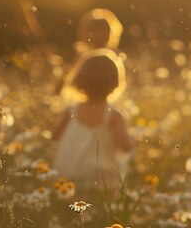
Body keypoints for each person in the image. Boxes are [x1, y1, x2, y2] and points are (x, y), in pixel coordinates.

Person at [52, 49, 134, 192]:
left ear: (79, 80)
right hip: (101, 181)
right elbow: (125, 147)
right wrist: (136, 140)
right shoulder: (113, 116)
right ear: (115, 83)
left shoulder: (71, 111)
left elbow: (55, 137)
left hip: (68, 176)